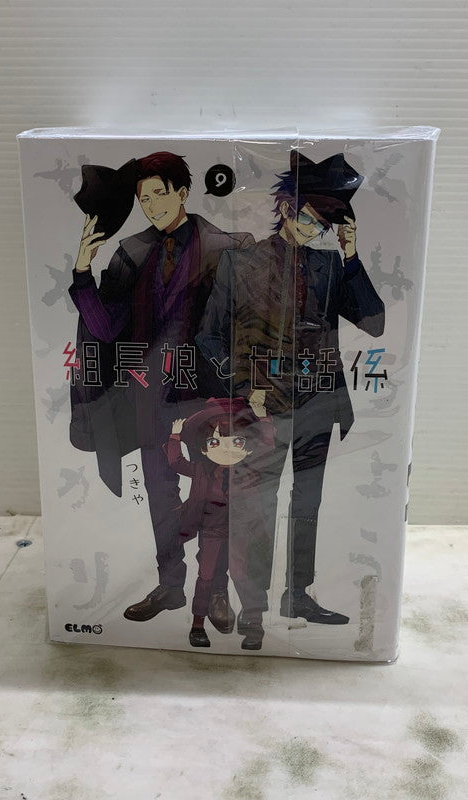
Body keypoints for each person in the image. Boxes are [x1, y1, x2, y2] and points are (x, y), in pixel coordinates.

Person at [197, 151, 385, 627]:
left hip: (318, 402)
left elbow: (374, 322)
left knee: (307, 502)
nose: (313, 228)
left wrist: (351, 255)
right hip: (261, 407)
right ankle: (253, 603)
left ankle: (297, 594)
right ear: (285, 207)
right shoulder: (240, 262)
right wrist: (245, 386)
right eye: (308, 216)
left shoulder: (328, 265)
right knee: (257, 505)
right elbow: (208, 336)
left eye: (322, 223)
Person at [68, 152, 254, 626]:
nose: (150, 205)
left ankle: (215, 592)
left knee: (217, 496)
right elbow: (104, 328)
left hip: (208, 394)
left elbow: (245, 328)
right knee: (160, 494)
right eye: (143, 198)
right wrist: (83, 272)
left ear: (182, 192)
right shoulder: (131, 252)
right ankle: (171, 586)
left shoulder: (228, 247)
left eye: (158, 194)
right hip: (150, 394)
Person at [165, 397, 275, 650]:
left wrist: (264, 420)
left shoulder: (250, 471)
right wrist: (175, 437)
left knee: (242, 575)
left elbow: (267, 450)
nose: (226, 449)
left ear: (248, 447)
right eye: (214, 442)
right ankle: (197, 625)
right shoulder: (202, 470)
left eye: (237, 442)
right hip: (211, 530)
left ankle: (255, 625)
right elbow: (176, 463)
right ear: (204, 448)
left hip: (241, 530)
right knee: (205, 576)